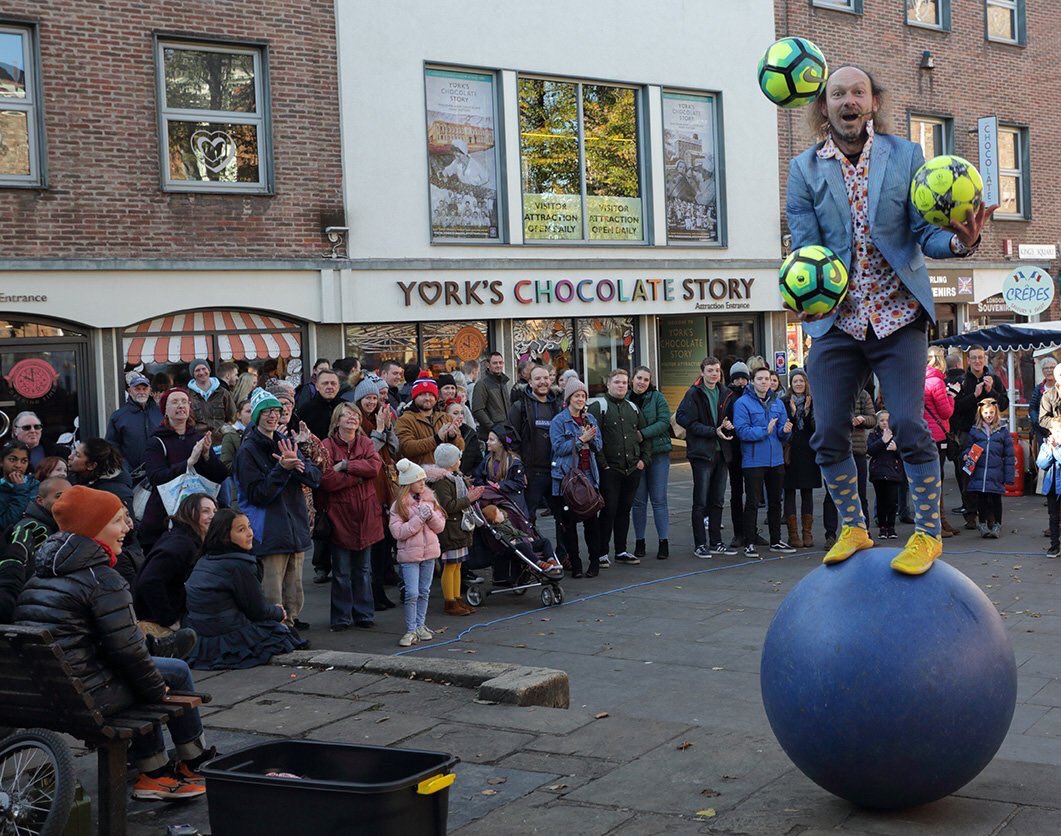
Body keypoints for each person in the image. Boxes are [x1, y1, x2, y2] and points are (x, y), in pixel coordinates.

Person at [788, 65, 993, 576]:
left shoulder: (905, 156)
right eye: (838, 93)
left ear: (873, 102)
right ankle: (853, 527)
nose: (849, 101)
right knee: (827, 431)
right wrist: (804, 295)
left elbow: (925, 234)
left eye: (858, 92)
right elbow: (806, 248)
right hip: (837, 322)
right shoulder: (804, 169)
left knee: (907, 424)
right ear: (824, 106)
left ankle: (927, 534)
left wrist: (961, 243)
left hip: (898, 317)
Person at [14, 485, 211, 800]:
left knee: (148, 666)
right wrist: (156, 690)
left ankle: (162, 765)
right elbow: (127, 653)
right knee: (171, 672)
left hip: (43, 693)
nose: (127, 527)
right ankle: (176, 766)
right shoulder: (102, 579)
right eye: (118, 520)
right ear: (94, 527)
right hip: (88, 696)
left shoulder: (39, 575)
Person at [234, 388, 322, 630]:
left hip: (294, 527)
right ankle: (274, 632)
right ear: (257, 416)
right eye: (267, 412)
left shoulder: (286, 442)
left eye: (276, 410)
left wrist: (298, 466)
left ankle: (290, 626)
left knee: (294, 590)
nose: (273, 415)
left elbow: (315, 478)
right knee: (272, 592)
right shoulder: (248, 450)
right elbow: (258, 495)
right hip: (269, 530)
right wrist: (282, 469)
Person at [184, 509, 305, 669]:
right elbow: (257, 611)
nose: (250, 533)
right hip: (223, 633)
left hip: (200, 634)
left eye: (249, 527)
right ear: (225, 536)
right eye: (241, 530)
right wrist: (278, 612)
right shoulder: (238, 565)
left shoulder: (205, 559)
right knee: (282, 634)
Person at [320, 403, 384, 631]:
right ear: (336, 420)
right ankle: (341, 617)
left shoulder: (366, 443)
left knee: (364, 570)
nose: (352, 418)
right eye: (346, 415)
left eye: (355, 415)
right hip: (340, 515)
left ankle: (364, 613)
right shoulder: (326, 445)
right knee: (341, 571)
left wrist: (346, 465)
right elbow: (327, 480)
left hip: (366, 514)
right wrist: (357, 477)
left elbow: (374, 468)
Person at [141, 388, 228, 552]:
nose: (180, 406)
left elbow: (220, 476)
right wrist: (187, 463)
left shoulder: (197, 438)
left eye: (184, 402)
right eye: (174, 402)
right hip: (164, 516)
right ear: (165, 410)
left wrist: (206, 455)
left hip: (198, 516)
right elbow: (156, 478)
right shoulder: (157, 441)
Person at [676, 357, 738, 558]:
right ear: (702, 372)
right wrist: (713, 431)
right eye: (710, 370)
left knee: (718, 500)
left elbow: (728, 420)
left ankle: (716, 541)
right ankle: (700, 544)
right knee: (701, 501)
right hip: (702, 452)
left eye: (717, 370)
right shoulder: (694, 393)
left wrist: (727, 425)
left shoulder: (726, 393)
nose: (714, 374)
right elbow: (683, 418)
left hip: (722, 452)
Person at [733, 366, 796, 558]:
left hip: (775, 459)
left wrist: (785, 431)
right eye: (759, 379)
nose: (764, 382)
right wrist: (764, 431)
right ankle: (749, 542)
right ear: (752, 381)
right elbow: (741, 431)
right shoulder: (742, 403)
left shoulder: (777, 403)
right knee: (752, 502)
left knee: (775, 502)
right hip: (753, 460)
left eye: (766, 379)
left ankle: (776, 540)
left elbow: (782, 434)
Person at [133, 492, 215, 636]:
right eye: (205, 511)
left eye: (214, 511)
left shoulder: (187, 540)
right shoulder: (181, 544)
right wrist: (169, 620)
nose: (212, 516)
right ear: (190, 513)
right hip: (158, 623)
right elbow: (149, 581)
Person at [589, 369, 649, 567]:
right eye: (617, 382)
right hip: (610, 470)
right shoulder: (599, 406)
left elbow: (644, 435)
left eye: (624, 382)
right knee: (608, 510)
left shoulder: (633, 408)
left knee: (624, 510)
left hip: (632, 469)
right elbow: (593, 439)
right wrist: (603, 464)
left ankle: (621, 550)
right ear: (608, 384)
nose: (621, 385)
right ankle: (601, 553)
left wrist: (644, 460)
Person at [68, 438, 147, 585]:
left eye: (78, 455)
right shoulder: (77, 480)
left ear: (91, 465)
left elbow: (129, 531)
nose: (70, 457)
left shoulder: (116, 491)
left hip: (119, 558)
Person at [550, 377, 603, 577]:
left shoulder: (591, 419)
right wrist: (581, 439)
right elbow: (558, 448)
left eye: (583, 396)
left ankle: (594, 562)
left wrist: (591, 438)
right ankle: (576, 564)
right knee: (568, 525)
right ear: (568, 398)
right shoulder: (559, 421)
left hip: (588, 476)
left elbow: (599, 446)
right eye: (576, 396)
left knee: (592, 523)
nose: (580, 399)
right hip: (567, 478)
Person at [389, 459, 446, 647]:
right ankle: (411, 629)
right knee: (412, 593)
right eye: (418, 480)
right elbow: (398, 532)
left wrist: (430, 516)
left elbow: (440, 526)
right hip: (409, 556)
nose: (422, 483)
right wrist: (419, 518)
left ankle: (420, 625)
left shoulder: (430, 499)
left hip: (429, 553)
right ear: (408, 483)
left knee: (424, 591)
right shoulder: (399, 505)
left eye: (423, 479)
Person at [953, 345, 1010, 526]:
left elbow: (1004, 404)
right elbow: (954, 408)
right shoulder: (961, 381)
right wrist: (974, 395)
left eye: (980, 357)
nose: (977, 361)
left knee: (989, 474)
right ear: (968, 360)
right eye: (974, 358)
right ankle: (970, 513)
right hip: (968, 435)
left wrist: (991, 391)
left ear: (984, 359)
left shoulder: (993, 379)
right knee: (967, 473)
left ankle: (990, 515)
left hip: (990, 436)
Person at [425, 443, 484, 616]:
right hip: (450, 529)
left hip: (458, 528)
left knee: (457, 565)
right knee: (450, 566)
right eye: (458, 458)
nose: (460, 461)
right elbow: (448, 506)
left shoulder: (455, 477)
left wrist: (468, 496)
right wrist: (468, 499)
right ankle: (449, 601)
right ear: (450, 462)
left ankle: (457, 598)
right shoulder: (442, 482)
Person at [507, 364, 562, 540]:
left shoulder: (558, 406)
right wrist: (518, 468)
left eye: (546, 378)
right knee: (528, 518)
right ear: (530, 382)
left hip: (556, 472)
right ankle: (533, 552)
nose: (542, 382)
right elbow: (510, 439)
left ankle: (563, 552)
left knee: (563, 518)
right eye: (537, 379)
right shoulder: (519, 407)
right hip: (531, 472)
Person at [628, 366, 672, 560]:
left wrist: (642, 434)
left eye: (646, 380)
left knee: (659, 499)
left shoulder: (657, 398)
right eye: (639, 378)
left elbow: (664, 422)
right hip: (635, 456)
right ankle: (640, 542)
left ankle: (664, 542)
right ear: (632, 379)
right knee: (638, 502)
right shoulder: (626, 399)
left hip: (658, 454)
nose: (642, 382)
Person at [781, 369, 821, 548]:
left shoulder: (813, 401)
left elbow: (816, 427)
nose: (798, 384)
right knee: (789, 491)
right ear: (791, 383)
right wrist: (792, 412)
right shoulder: (784, 401)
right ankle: (793, 535)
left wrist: (805, 411)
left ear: (806, 383)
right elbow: (784, 426)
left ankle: (807, 533)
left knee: (807, 491)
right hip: (790, 451)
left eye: (801, 381)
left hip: (808, 451)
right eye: (795, 381)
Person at [963, 399, 1014, 539]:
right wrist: (966, 455)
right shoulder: (975, 430)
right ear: (980, 413)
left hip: (996, 472)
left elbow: (1009, 455)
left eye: (991, 412)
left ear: (996, 413)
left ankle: (997, 524)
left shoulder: (1002, 431)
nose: (989, 415)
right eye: (985, 413)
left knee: (996, 499)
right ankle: (982, 524)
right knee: (982, 499)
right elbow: (968, 447)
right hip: (979, 472)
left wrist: (1009, 476)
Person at [924, 346, 959, 538]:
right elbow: (946, 412)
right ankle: (938, 523)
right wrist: (951, 396)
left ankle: (940, 521)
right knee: (938, 479)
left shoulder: (921, 379)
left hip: (926, 435)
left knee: (932, 479)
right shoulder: (936, 382)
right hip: (938, 436)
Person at [395, 375, 464, 464]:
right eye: (422, 394)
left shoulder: (445, 417)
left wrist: (452, 437)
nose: (427, 398)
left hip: (445, 471)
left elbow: (461, 448)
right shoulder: (405, 420)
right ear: (415, 397)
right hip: (419, 471)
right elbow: (407, 448)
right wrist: (436, 439)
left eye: (431, 394)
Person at [106, 373, 162, 475]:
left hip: (159, 472)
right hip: (131, 475)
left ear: (150, 391)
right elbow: (112, 447)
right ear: (129, 391)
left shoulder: (160, 413)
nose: (141, 392)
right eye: (137, 389)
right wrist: (126, 468)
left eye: (144, 389)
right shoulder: (118, 416)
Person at [476, 424, 528, 517]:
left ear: (501, 443)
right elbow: (477, 476)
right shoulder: (487, 460)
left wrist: (500, 485)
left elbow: (519, 483)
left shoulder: (514, 462)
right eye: (488, 439)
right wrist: (486, 486)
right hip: (493, 501)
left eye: (491, 440)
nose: (487, 442)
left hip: (511, 504)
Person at [725, 362, 750, 547]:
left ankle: (751, 531)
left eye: (743, 378)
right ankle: (738, 532)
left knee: (753, 493)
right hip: (734, 450)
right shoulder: (728, 396)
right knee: (736, 492)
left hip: (751, 450)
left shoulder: (752, 395)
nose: (741, 382)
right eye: (737, 378)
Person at [867, 410, 904, 540]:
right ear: (877, 422)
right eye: (881, 420)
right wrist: (882, 441)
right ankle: (882, 527)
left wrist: (897, 449)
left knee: (892, 502)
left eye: (887, 420)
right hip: (878, 473)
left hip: (893, 472)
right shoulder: (873, 435)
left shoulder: (897, 435)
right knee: (881, 501)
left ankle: (891, 527)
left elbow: (903, 452)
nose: (884, 423)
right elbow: (870, 450)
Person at [187, 359, 236, 435]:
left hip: (220, 437)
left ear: (209, 370)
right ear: (193, 374)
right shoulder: (188, 395)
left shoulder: (223, 392)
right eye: (197, 370)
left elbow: (232, 416)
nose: (201, 372)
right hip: (198, 437)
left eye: (204, 369)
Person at [471, 352, 511, 440]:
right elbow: (478, 410)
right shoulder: (482, 384)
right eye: (495, 363)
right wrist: (493, 427)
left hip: (505, 431)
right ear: (488, 365)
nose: (498, 365)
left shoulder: (503, 383)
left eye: (500, 363)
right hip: (490, 435)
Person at [1036, 416, 1061, 559]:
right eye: (1054, 431)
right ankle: (1054, 545)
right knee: (1053, 516)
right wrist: (1050, 449)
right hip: (1052, 486)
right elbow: (1042, 464)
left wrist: (1056, 449)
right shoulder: (1047, 445)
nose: (1055, 434)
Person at [0, 440, 38, 530]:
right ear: (1, 462)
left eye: (24, 461)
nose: (18, 465)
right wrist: (20, 489)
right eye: (12, 460)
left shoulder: (35, 485)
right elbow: (7, 523)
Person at [446, 398, 482, 477]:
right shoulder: (441, 433)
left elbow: (478, 460)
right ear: (446, 415)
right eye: (455, 413)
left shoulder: (470, 433)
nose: (460, 416)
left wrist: (471, 476)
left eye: (462, 413)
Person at [1028, 357, 1057, 443]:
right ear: (1043, 371)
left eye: (1052, 368)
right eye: (1046, 368)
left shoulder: (1059, 388)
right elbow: (1032, 408)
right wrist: (1038, 423)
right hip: (1042, 430)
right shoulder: (1038, 389)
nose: (1049, 370)